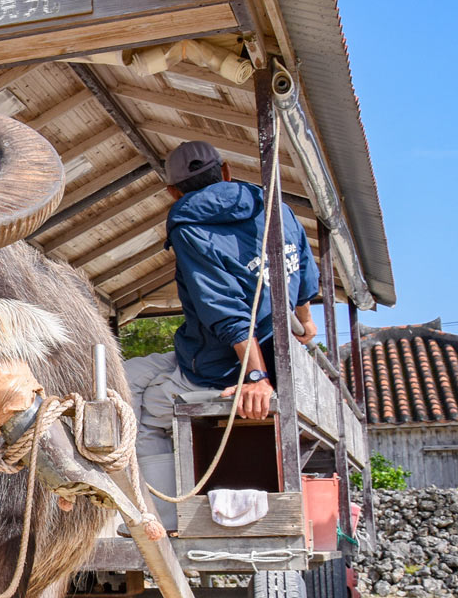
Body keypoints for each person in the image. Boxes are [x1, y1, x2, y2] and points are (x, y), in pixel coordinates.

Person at [125, 140, 320, 528]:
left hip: (220, 365)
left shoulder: (190, 227)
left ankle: (164, 520)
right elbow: (306, 277)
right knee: (125, 375)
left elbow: (226, 312)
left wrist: (254, 377)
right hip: (222, 352)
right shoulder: (275, 207)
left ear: (172, 192)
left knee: (142, 414)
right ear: (226, 170)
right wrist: (307, 322)